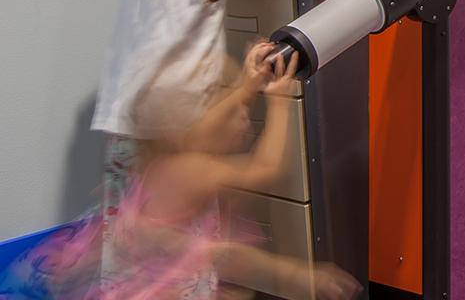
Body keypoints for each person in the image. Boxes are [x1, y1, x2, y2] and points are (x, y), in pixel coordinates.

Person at [90, 0, 333, 297]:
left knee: (133, 221)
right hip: (177, 123)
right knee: (190, 226)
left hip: (125, 121)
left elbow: (168, 30)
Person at [102, 44, 359, 300]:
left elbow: (223, 254)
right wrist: (280, 103)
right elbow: (266, 167)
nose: (244, 115)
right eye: (231, 107)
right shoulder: (189, 171)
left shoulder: (159, 162)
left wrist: (245, 85)